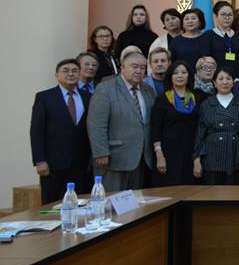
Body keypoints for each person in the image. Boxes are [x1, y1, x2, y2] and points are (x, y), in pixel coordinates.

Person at [87, 51, 156, 191]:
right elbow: (96, 124)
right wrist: (100, 152)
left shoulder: (148, 91)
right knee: (112, 200)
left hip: (141, 158)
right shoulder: (105, 89)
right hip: (113, 158)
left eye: (142, 67)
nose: (139, 71)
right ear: (122, 67)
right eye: (134, 66)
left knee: (136, 201)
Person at [30, 58, 92, 203]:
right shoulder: (45, 97)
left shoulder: (88, 97)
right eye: (65, 71)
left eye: (75, 71)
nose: (70, 74)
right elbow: (36, 131)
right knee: (51, 205)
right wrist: (39, 160)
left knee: (80, 204)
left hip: (81, 163)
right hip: (53, 164)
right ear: (57, 75)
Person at [150, 60, 203, 187]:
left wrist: (198, 158)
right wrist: (159, 155)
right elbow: (155, 129)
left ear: (189, 75)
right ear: (170, 76)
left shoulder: (198, 97)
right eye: (176, 73)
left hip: (191, 153)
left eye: (184, 72)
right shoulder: (162, 99)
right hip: (168, 153)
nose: (180, 76)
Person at [193, 67, 239, 185]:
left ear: (233, 82)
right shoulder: (207, 104)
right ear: (214, 82)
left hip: (235, 154)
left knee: (235, 192)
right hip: (212, 156)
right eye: (221, 79)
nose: (225, 82)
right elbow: (200, 133)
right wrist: (196, 160)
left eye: (228, 78)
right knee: (213, 192)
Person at [203, 1, 239, 79]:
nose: (227, 18)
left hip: (236, 78)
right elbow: (206, 59)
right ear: (216, 16)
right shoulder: (209, 35)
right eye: (223, 14)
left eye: (230, 15)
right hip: (216, 78)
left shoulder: (238, 35)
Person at [170, 8, 207, 75]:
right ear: (182, 23)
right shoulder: (176, 41)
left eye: (193, 18)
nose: (190, 21)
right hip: (182, 77)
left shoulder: (208, 39)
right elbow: (172, 62)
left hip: (204, 76)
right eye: (186, 19)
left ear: (200, 22)